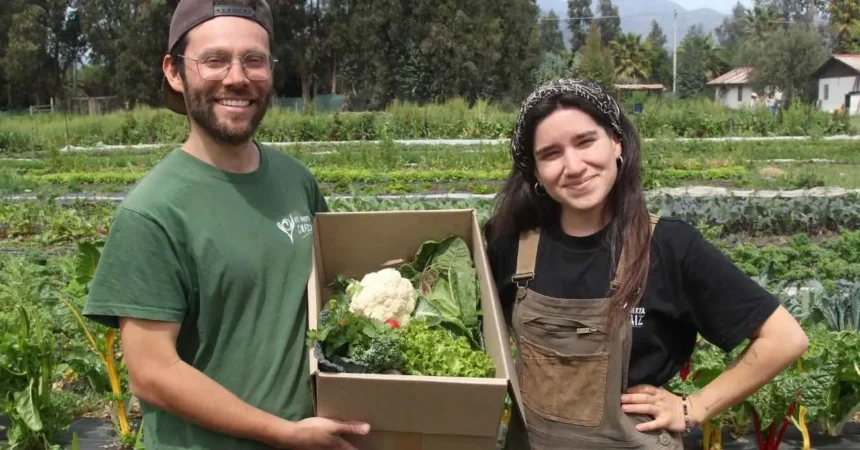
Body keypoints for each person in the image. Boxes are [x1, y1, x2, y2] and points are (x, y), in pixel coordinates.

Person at [82, 0, 370, 448]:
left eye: (254, 60)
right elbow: (152, 372)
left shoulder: (296, 181)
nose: (237, 77)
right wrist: (286, 434)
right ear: (175, 72)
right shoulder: (153, 213)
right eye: (214, 60)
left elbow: (330, 296)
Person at [483, 79, 808, 449]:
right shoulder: (510, 246)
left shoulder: (669, 247)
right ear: (536, 170)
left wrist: (693, 407)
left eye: (585, 141)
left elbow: (784, 338)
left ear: (616, 143)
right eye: (551, 153)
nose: (573, 166)